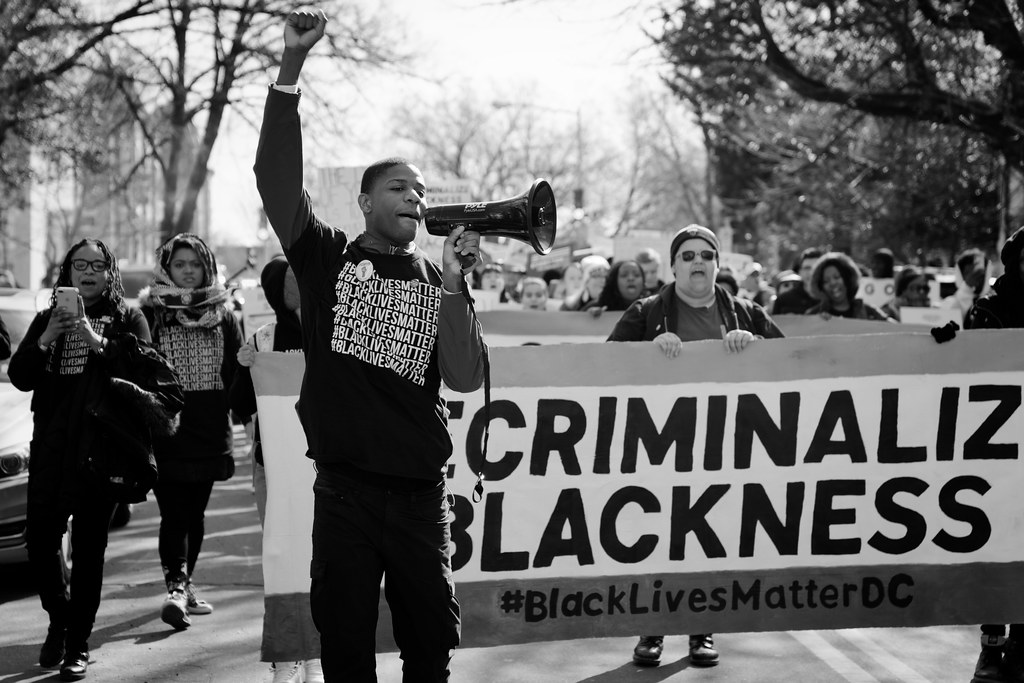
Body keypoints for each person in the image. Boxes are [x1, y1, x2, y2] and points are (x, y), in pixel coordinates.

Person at [254, 9, 487, 681]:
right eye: (398, 185)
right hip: (347, 496)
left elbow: (466, 376)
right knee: (348, 647)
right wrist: (291, 67)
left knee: (429, 650)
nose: (414, 195)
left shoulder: (436, 277)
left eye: (420, 187)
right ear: (363, 201)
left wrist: (454, 285)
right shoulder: (324, 257)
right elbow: (274, 177)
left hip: (421, 497)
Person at [607, 224, 784, 669]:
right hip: (659, 449)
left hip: (728, 447)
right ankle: (652, 628)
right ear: (673, 266)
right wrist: (646, 350)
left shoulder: (747, 313)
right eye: (687, 255)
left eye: (706, 254)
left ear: (718, 264)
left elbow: (793, 365)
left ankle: (702, 629)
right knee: (659, 537)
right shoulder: (645, 313)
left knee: (709, 537)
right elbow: (604, 368)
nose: (698, 262)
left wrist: (756, 347)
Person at [8, 239, 152, 681]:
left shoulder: (129, 319)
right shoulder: (44, 319)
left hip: (102, 449)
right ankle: (60, 618)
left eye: (97, 265)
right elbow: (19, 376)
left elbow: (143, 373)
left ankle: (77, 644)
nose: (87, 272)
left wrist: (93, 336)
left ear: (110, 272)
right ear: (66, 273)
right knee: (40, 541)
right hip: (50, 449)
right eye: (79, 265)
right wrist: (50, 335)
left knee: (89, 551)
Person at [141, 232, 243, 631]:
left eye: (194, 264)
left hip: (210, 428)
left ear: (207, 268)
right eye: (179, 264)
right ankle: (176, 587)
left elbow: (237, 372)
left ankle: (184, 588)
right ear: (167, 268)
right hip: (167, 429)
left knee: (196, 514)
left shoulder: (225, 314)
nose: (187, 272)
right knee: (173, 514)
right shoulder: (152, 313)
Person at [229, 256, 323, 683]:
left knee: (326, 561)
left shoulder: (335, 331)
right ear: (275, 292)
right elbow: (240, 406)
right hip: (278, 473)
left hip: (330, 471)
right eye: (290, 281)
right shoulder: (263, 340)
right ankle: (287, 659)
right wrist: (247, 368)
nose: (300, 286)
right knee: (284, 560)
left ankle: (319, 655)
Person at [963, 226, 1024, 683]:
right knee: (998, 544)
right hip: (997, 451)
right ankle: (992, 647)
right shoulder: (989, 311)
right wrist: (951, 345)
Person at [805, 251, 895, 321]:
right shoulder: (813, 315)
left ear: (847, 278)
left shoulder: (870, 312)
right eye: (826, 281)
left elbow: (896, 330)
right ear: (821, 287)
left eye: (837, 277)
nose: (832, 283)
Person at [942, 247, 992, 322]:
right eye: (968, 273)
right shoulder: (949, 303)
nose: (975, 278)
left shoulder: (994, 303)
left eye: (980, 275)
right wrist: (967, 287)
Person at [771, 247, 823, 315]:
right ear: (800, 271)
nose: (811, 273)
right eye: (807, 268)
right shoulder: (783, 301)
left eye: (816, 267)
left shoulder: (833, 300)